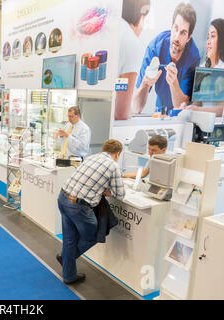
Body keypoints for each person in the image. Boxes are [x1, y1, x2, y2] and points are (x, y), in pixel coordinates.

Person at [56, 139, 125, 284]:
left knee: (69, 239)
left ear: (103, 149)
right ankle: (66, 259)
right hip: (78, 206)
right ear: (117, 154)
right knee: (94, 235)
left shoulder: (91, 157)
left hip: (63, 197)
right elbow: (120, 194)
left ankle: (69, 275)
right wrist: (108, 192)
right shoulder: (113, 166)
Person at [133, 2, 200, 115]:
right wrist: (145, 83)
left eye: (183, 33)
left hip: (181, 117)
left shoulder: (193, 57)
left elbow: (181, 105)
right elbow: (136, 107)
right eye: (176, 28)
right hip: (160, 112)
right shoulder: (155, 48)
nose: (177, 37)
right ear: (171, 26)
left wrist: (174, 84)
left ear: (189, 38)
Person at [180, 18, 224, 117]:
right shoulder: (202, 68)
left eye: (213, 36)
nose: (208, 41)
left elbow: (221, 110)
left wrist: (197, 110)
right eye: (208, 37)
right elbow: (197, 103)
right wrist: (188, 107)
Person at [115, 0, 151, 120]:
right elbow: (120, 113)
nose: (143, 27)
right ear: (141, 17)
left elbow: (119, 84)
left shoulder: (112, 27)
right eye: (145, 20)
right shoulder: (131, 42)